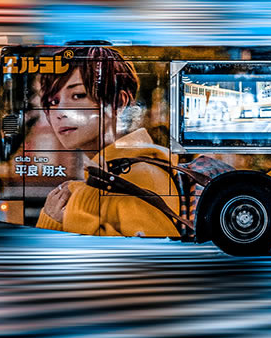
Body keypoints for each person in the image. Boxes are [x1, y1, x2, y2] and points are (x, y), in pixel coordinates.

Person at [34, 46, 181, 237]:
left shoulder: (139, 176)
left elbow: (151, 255)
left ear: (118, 103)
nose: (60, 112)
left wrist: (66, 217)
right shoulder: (106, 175)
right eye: (53, 102)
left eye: (78, 95)